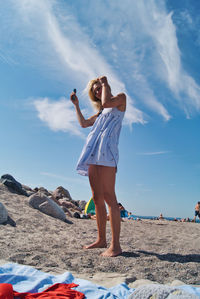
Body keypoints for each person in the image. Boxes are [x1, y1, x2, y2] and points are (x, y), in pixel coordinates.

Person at [70, 76, 126, 257]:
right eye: (95, 90)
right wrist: (76, 105)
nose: (97, 91)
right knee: (97, 198)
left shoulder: (119, 100)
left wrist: (105, 83)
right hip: (94, 153)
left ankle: (115, 245)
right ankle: (101, 239)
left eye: (99, 88)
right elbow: (84, 123)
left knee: (110, 198)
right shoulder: (101, 112)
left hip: (108, 155)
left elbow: (108, 102)